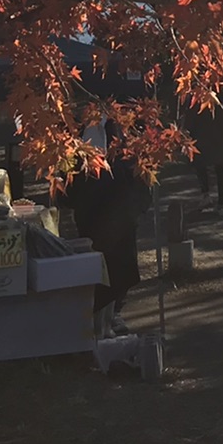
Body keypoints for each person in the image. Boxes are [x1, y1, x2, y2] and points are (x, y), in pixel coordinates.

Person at [65, 118, 146, 337]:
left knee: (122, 264)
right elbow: (69, 173)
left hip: (121, 207)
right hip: (93, 210)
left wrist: (139, 201)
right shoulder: (76, 129)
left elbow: (137, 168)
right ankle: (100, 319)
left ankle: (114, 312)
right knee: (99, 264)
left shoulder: (121, 127)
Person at [189, 100, 223, 217]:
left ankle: (213, 199)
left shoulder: (201, 94)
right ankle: (218, 202)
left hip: (210, 133)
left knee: (206, 164)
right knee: (216, 167)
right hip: (218, 134)